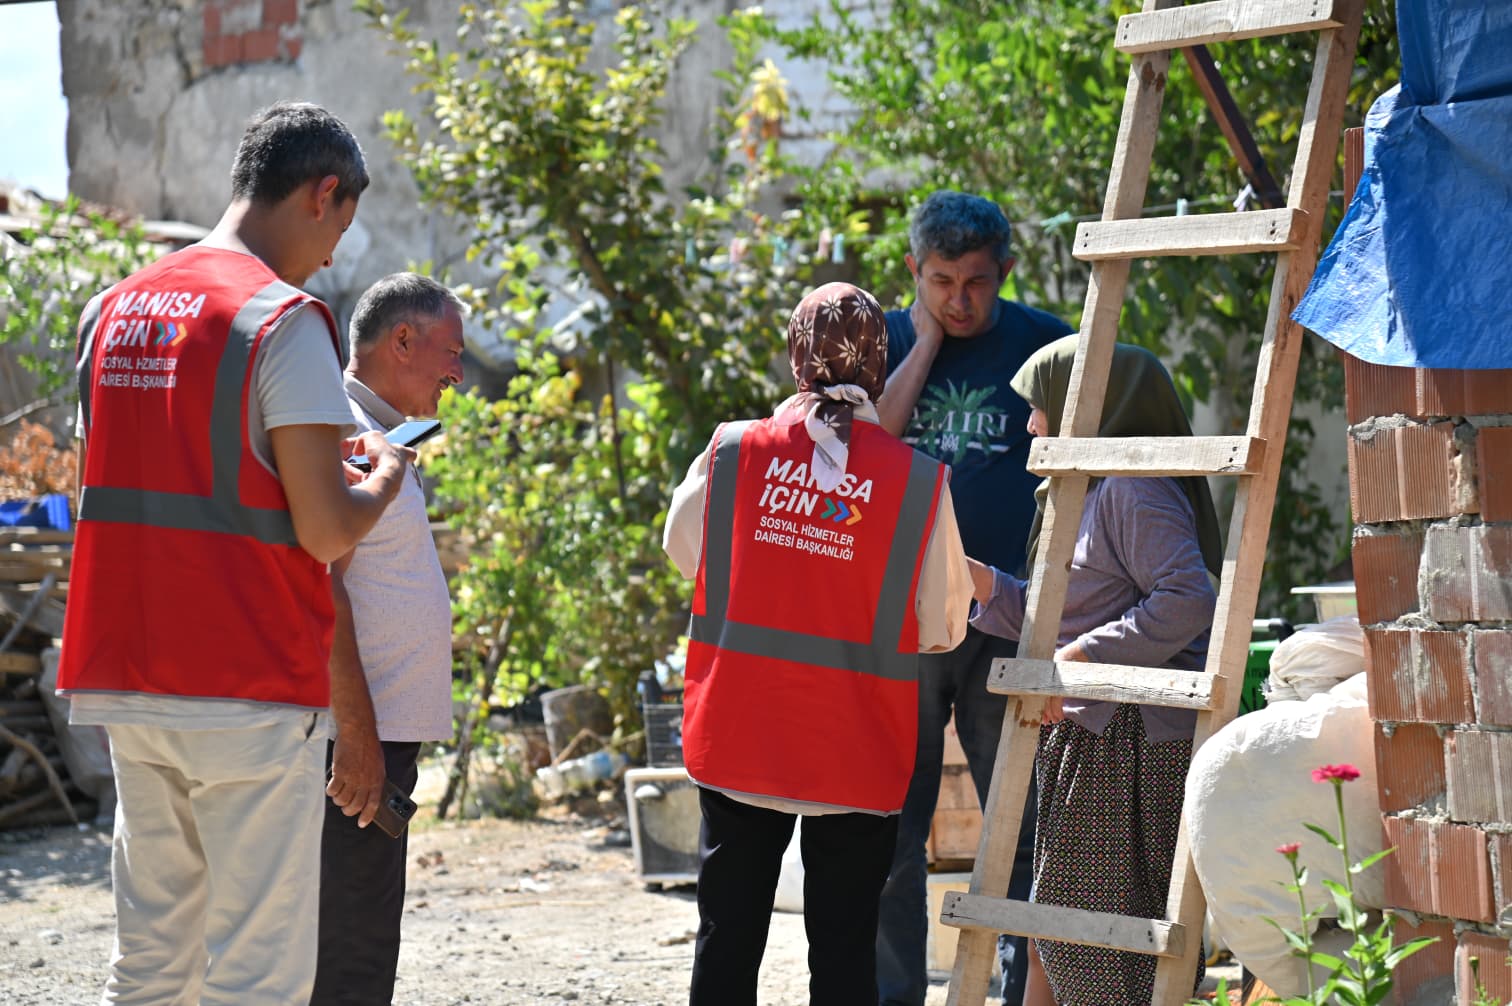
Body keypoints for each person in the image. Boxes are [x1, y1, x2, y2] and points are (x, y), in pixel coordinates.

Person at [57, 101, 413, 1005]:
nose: (334, 252)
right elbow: (326, 529)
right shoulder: (284, 320)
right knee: (257, 974)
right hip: (245, 681)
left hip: (127, 673)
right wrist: (385, 476)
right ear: (322, 192)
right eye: (341, 225)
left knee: (149, 960)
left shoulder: (111, 310)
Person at [663, 282, 972, 1006]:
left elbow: (687, 549)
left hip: (743, 734)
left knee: (727, 940)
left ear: (796, 354)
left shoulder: (733, 449)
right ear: (878, 361)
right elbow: (944, 621)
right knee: (843, 953)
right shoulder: (916, 480)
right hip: (854, 744)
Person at [968, 335, 1222, 1005]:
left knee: (1103, 950)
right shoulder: (1086, 493)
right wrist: (978, 584)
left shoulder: (1133, 490)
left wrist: (1078, 662)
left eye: (1041, 406)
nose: (1031, 424)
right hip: (1089, 737)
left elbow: (1188, 598)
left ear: (1092, 404)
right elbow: (1066, 612)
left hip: (1132, 746)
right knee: (1056, 930)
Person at [874, 191, 1073, 1006]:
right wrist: (919, 347)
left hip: (1006, 614)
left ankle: (1023, 987)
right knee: (891, 825)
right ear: (913, 272)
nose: (959, 301)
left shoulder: (1047, 344)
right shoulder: (881, 341)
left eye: (978, 283)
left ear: (1006, 274)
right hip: (900, 621)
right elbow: (866, 450)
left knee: (1017, 822)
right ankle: (892, 995)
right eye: (942, 281)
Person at [310, 273, 465, 1004]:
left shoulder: (378, 433)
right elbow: (321, 581)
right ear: (402, 340)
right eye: (450, 351)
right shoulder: (343, 429)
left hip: (373, 734)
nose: (458, 372)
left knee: (358, 937)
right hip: (356, 741)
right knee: (351, 949)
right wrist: (359, 736)